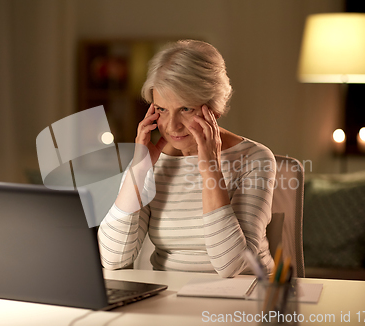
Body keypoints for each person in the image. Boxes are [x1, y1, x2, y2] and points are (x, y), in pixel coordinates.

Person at [98, 40, 276, 278]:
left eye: (185, 109)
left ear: (214, 109)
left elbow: (232, 265)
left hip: (244, 297)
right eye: (161, 109)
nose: (171, 126)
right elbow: (113, 258)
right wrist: (139, 170)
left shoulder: (255, 159)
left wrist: (210, 168)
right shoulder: (153, 160)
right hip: (168, 298)